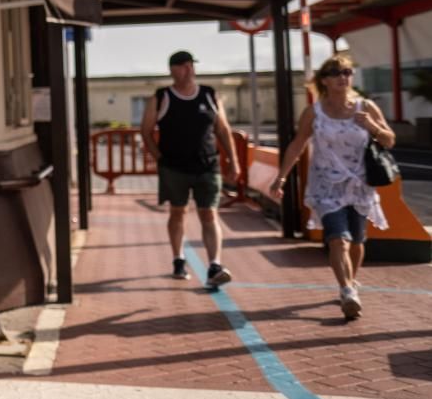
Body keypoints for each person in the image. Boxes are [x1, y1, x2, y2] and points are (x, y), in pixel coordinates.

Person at [269, 54, 394, 320]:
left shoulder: (366, 107)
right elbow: (298, 144)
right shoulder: (313, 112)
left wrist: (371, 126)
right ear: (324, 80)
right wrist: (281, 177)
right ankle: (347, 290)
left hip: (360, 185)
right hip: (326, 186)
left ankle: (350, 282)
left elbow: (389, 139)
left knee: (358, 242)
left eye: (347, 72)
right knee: (338, 239)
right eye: (337, 72)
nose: (343, 77)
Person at [140, 50, 241, 286]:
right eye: (183, 66)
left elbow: (223, 130)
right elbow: (146, 131)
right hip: (174, 167)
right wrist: (160, 158)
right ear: (172, 69)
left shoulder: (209, 95)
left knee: (209, 213)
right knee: (178, 212)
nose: (189, 70)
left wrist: (233, 162)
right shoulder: (161, 97)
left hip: (208, 165)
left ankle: (215, 265)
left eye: (191, 65)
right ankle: (178, 258)